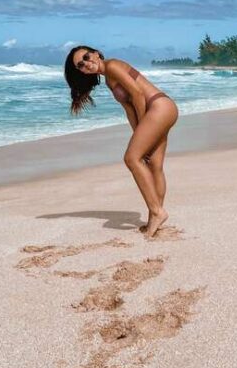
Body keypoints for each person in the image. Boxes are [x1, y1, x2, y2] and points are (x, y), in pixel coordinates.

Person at [64, 46, 178, 238]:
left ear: (96, 53)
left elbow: (138, 95)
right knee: (154, 165)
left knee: (132, 159)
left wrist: (142, 129)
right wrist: (139, 133)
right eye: (80, 65)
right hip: (160, 110)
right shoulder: (109, 78)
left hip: (158, 108)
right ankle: (154, 216)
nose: (86, 63)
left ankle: (158, 212)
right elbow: (129, 108)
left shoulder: (113, 65)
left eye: (86, 57)